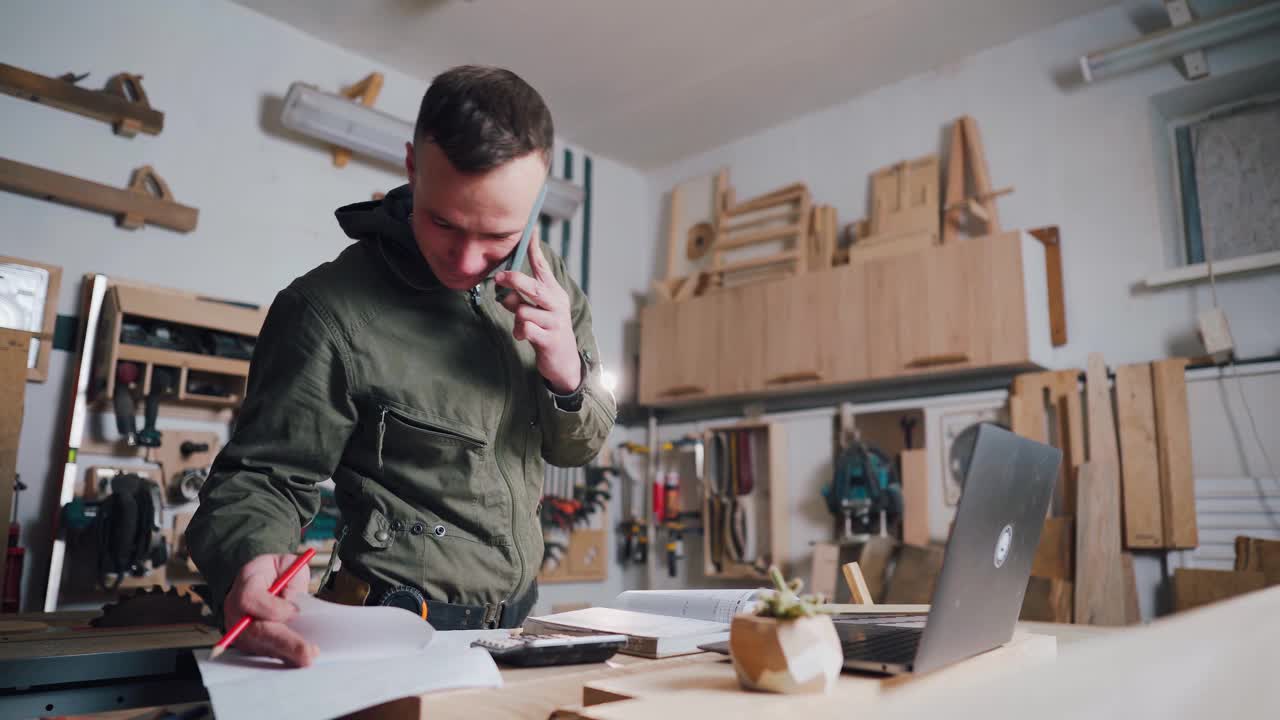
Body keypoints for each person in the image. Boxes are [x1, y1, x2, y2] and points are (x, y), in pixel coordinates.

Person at [186, 65, 616, 667]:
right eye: (443, 222)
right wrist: (251, 560)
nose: (467, 260)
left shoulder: (554, 286)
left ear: (540, 194)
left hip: (517, 632)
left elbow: (579, 447)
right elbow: (262, 478)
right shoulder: (326, 312)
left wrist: (567, 374)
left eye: (497, 236)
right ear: (412, 166)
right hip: (391, 635)